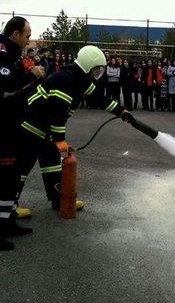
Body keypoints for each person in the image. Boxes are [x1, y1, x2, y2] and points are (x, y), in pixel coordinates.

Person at [15, 45, 132, 218]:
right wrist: (60, 140)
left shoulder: (81, 81)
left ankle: (59, 201)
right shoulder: (64, 80)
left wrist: (121, 111)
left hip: (45, 131)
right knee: (21, 169)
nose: (98, 73)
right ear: (86, 66)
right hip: (31, 129)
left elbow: (100, 99)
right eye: (96, 69)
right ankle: (9, 206)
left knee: (53, 166)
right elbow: (57, 115)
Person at [0, 17, 45, 251]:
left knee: (13, 177)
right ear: (15, 34)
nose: (28, 40)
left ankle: (6, 222)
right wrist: (32, 75)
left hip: (11, 125)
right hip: (0, 127)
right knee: (6, 180)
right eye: (27, 35)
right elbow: (7, 91)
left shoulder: (11, 54)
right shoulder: (0, 54)